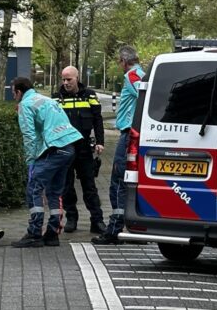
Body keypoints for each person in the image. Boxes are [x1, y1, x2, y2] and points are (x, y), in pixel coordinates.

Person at [10, 76, 83, 248]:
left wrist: (31, 161)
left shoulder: (25, 105)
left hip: (54, 148)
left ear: (19, 92)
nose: (13, 96)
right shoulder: (47, 100)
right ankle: (52, 233)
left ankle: (34, 233)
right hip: (69, 147)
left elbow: (28, 135)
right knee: (55, 191)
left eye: (13, 93)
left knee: (34, 187)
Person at [92, 46, 145, 245]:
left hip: (128, 134)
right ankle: (136, 227)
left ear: (124, 61)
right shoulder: (142, 73)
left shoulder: (133, 76)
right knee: (131, 181)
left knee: (118, 180)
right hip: (135, 133)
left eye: (118, 62)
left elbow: (144, 97)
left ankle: (114, 229)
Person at [53, 66, 106, 234]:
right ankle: (72, 218)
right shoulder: (56, 98)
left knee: (89, 185)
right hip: (65, 148)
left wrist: (100, 141)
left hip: (84, 148)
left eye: (69, 79)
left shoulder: (89, 95)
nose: (66, 83)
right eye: (63, 79)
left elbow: (98, 119)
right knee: (67, 186)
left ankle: (97, 221)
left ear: (77, 78)